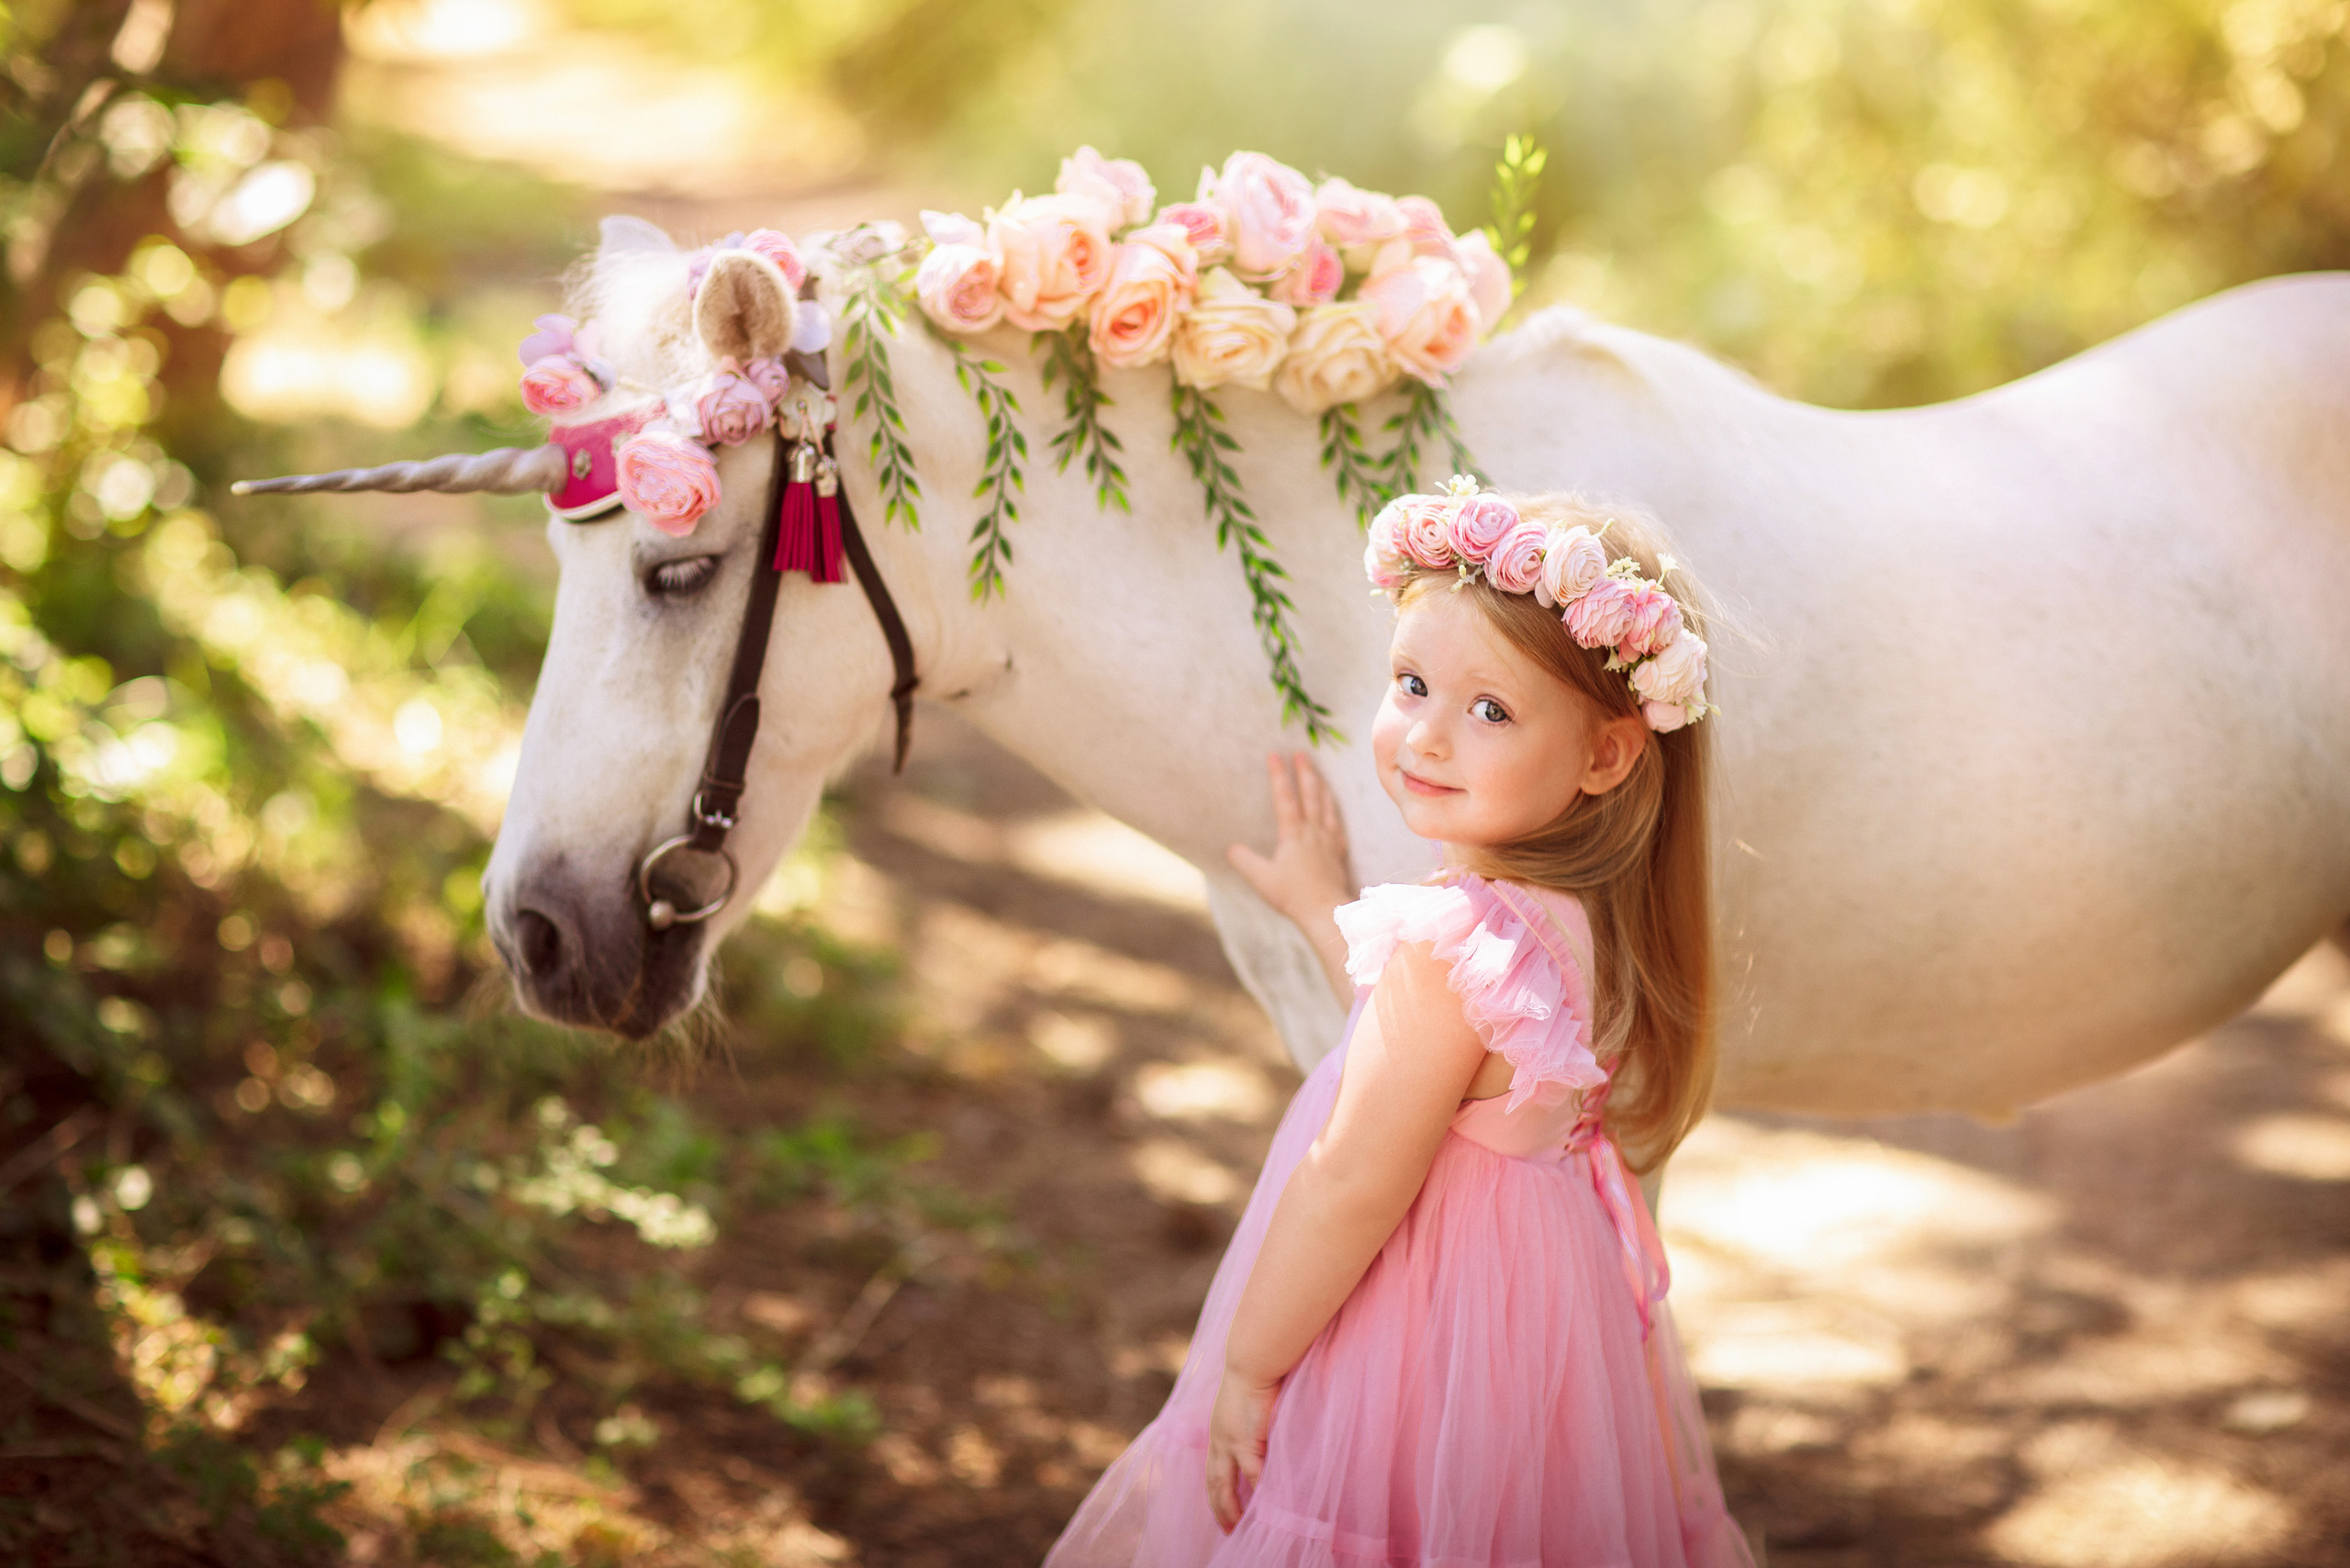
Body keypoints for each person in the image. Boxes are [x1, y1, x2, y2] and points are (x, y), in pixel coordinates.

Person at [1044, 478, 1754, 1567]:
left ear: (1607, 755)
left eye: (1490, 711)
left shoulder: (1452, 937)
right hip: (1528, 1332)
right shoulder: (1581, 923)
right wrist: (1320, 900)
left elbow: (1348, 1176)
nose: (1424, 735)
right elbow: (1430, 1064)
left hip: (1418, 1330)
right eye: (1411, 682)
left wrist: (1252, 1362)